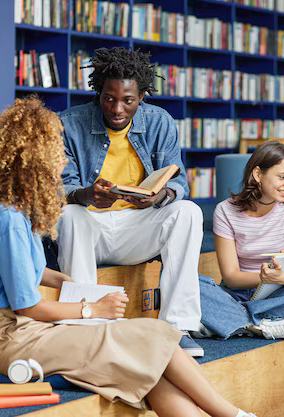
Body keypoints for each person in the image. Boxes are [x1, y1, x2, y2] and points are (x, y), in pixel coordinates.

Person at [0, 97, 257, 417]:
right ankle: (234, 415)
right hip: (19, 340)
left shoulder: (10, 212)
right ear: (35, 158)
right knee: (155, 335)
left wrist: (56, 277)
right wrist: (91, 308)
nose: (62, 158)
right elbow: (26, 306)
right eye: (56, 150)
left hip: (29, 333)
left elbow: (13, 268)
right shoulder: (9, 220)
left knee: (150, 372)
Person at [56, 47, 204, 357]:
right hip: (89, 226)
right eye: (109, 98)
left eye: (128, 100)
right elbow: (58, 189)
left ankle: (176, 328)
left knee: (188, 212)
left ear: (142, 96)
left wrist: (157, 197)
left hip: (138, 227)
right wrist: (86, 194)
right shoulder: (70, 123)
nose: (117, 109)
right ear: (99, 92)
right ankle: (88, 326)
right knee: (70, 215)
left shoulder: (160, 122)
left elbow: (178, 182)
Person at [197, 142, 284, 341]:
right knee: (190, 283)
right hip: (237, 293)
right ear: (258, 175)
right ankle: (265, 325)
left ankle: (233, 320)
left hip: (278, 293)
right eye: (282, 177)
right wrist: (264, 277)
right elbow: (231, 277)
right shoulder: (225, 211)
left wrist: (282, 278)